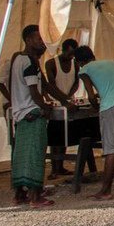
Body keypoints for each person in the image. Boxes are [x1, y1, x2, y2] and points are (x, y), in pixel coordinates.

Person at [0, 25, 57, 207]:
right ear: (29, 40)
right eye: (39, 39)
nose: (42, 43)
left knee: (21, 156)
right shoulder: (29, 62)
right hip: (32, 112)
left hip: (21, 114)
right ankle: (35, 197)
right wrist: (45, 107)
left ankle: (19, 194)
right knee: (35, 156)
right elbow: (33, 90)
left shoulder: (18, 59)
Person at [75, 46, 114, 200]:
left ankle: (106, 190)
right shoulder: (112, 63)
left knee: (111, 149)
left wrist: (96, 107)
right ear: (93, 55)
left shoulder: (84, 70)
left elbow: (91, 97)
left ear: (79, 62)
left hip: (110, 107)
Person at [43, 38, 81, 178]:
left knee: (65, 135)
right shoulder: (51, 63)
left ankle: (60, 166)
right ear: (63, 50)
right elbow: (51, 84)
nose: (70, 57)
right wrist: (62, 99)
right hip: (56, 102)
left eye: (73, 54)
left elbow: (77, 81)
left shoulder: (75, 64)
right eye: (69, 53)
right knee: (55, 137)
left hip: (68, 102)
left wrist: (69, 96)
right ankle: (54, 168)